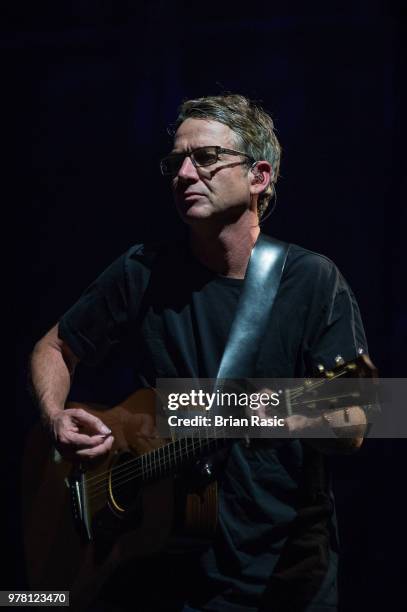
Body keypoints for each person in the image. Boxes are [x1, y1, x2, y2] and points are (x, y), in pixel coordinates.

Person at [30, 94, 370, 611]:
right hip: (160, 576)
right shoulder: (142, 271)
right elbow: (55, 346)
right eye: (175, 162)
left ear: (259, 177)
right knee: (28, 601)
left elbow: (357, 420)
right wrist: (55, 417)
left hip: (282, 582)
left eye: (206, 158)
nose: (183, 174)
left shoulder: (313, 282)